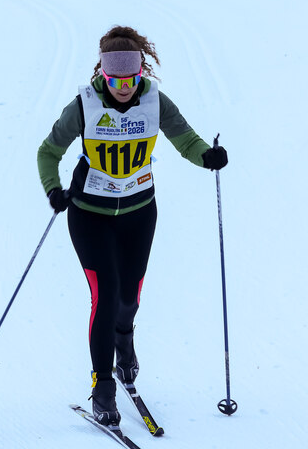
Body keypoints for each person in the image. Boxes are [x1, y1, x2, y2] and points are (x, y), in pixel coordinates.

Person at [37, 25, 228, 427]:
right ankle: (102, 385)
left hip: (140, 213)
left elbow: (186, 140)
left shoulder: (155, 101)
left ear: (141, 73)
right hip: (89, 214)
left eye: (132, 79)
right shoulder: (84, 106)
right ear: (103, 74)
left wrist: (207, 157)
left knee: (129, 298)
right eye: (115, 80)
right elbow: (48, 152)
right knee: (104, 296)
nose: (124, 88)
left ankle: (125, 341)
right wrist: (54, 189)